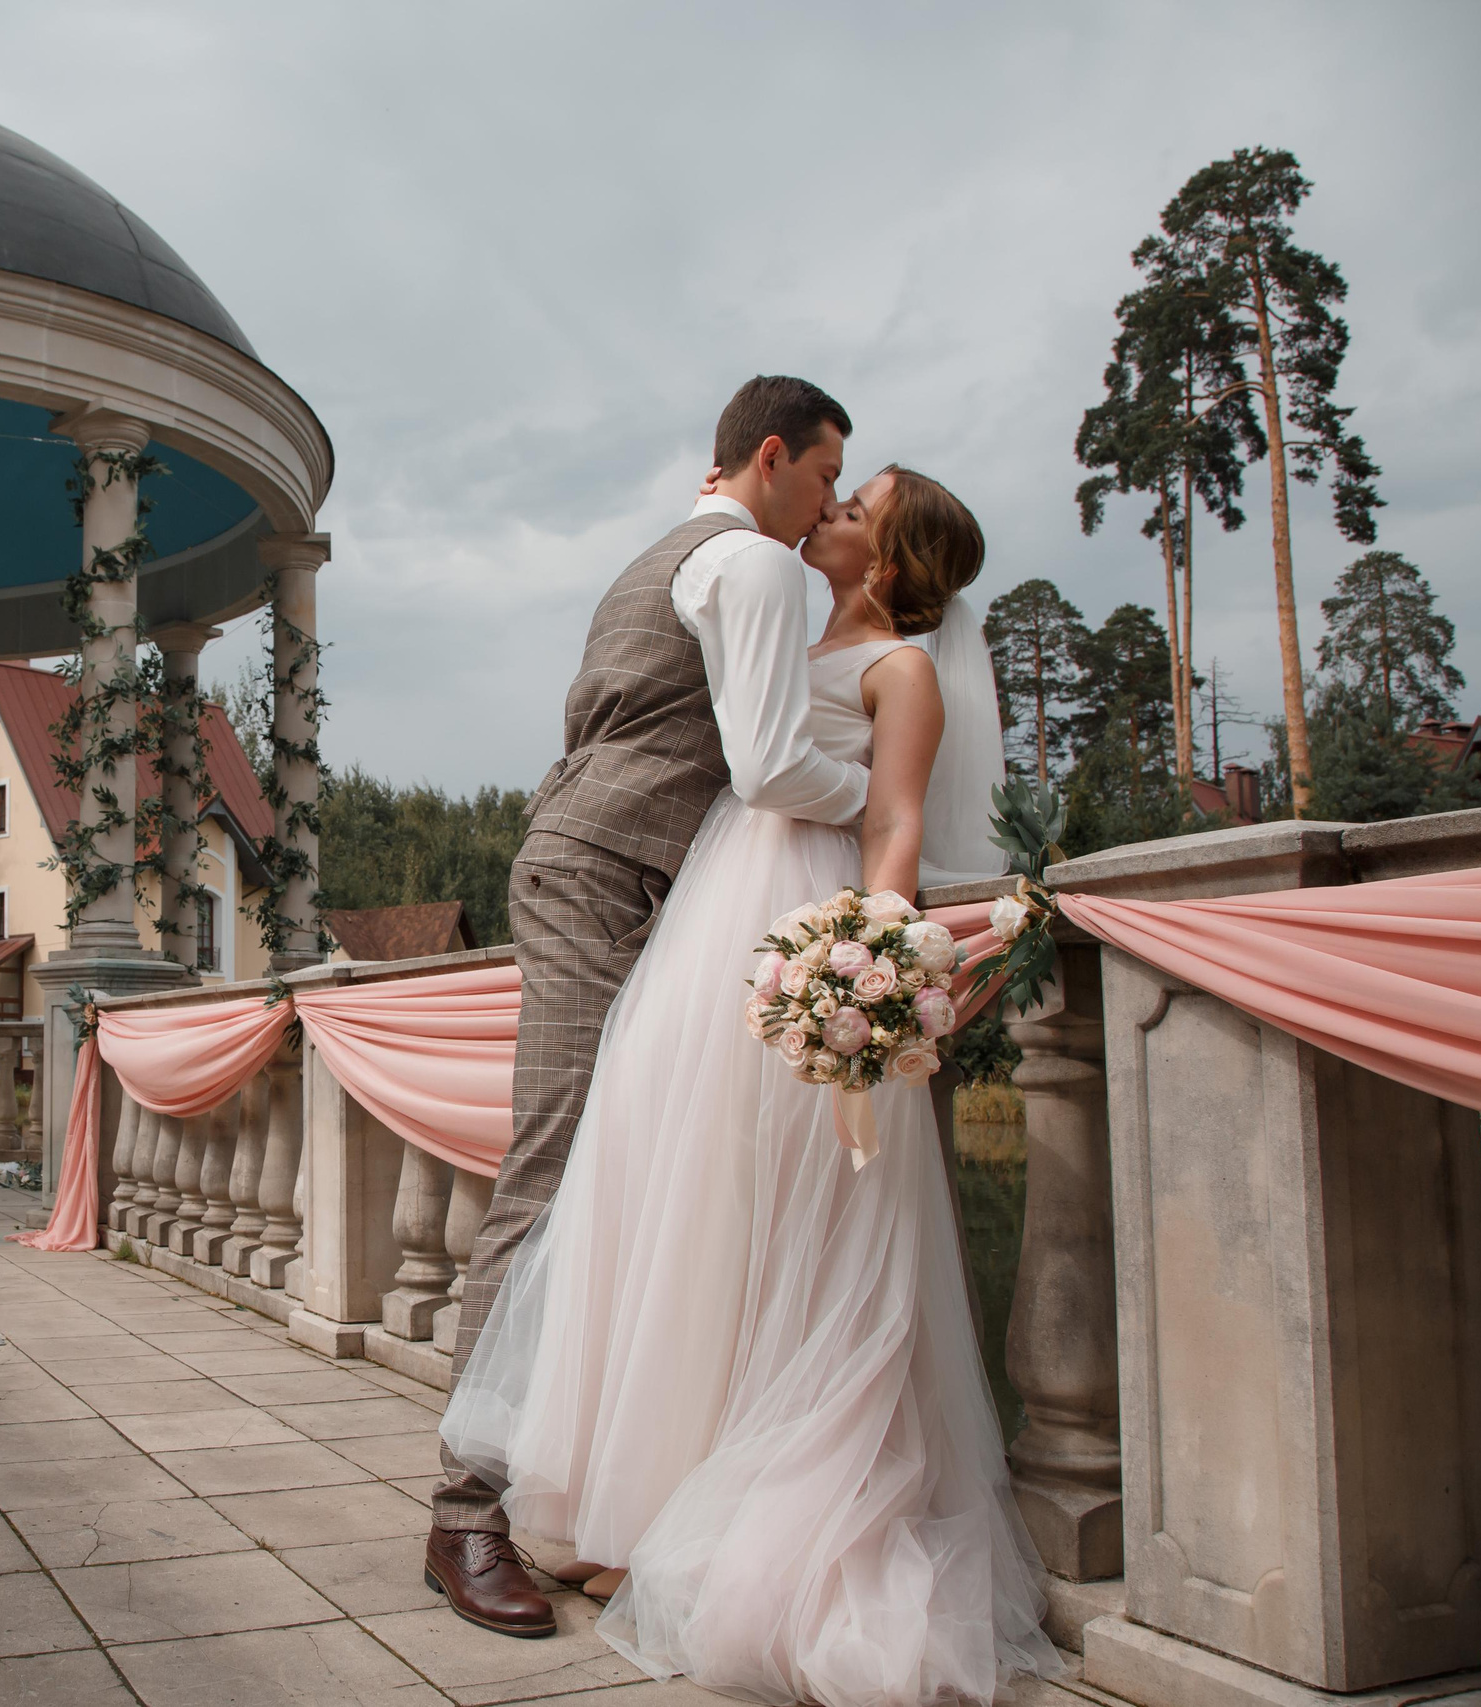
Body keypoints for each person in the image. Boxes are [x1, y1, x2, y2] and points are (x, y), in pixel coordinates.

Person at [439, 460, 1063, 1705]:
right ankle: (650, 1505)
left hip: (799, 928)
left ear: (885, 560)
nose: (827, 514)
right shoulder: (773, 612)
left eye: (854, 507)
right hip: (711, 931)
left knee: (791, 1221)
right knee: (688, 1205)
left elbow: (891, 825)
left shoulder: (903, 669)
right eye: (830, 489)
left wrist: (871, 972)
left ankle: (744, 1519)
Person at [423, 376, 874, 1638]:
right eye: (828, 474)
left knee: (625, 1181)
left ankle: (586, 1490)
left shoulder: (665, 553)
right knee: (556, 1173)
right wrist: (890, 790)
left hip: (605, 867)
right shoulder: (752, 564)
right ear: (772, 457)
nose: (833, 501)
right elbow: (775, 760)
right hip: (607, 875)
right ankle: (463, 1518)